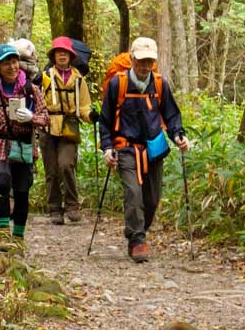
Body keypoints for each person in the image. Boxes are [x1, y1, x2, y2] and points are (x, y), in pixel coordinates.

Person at [98, 37, 189, 263]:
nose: (145, 66)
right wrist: (107, 148)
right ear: (132, 59)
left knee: (152, 199)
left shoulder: (159, 84)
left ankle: (139, 230)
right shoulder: (117, 84)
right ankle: (137, 240)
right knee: (133, 193)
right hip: (125, 148)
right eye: (141, 61)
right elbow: (105, 119)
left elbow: (171, 114)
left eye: (149, 61)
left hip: (154, 148)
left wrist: (178, 135)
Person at [0, 43, 50, 252]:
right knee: (3, 182)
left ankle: (18, 238)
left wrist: (32, 118)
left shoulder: (30, 89)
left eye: (14, 62)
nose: (12, 67)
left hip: (23, 147)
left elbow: (45, 118)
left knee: (23, 192)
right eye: (6, 63)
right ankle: (3, 234)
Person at [40, 36, 91, 225]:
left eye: (65, 53)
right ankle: (55, 208)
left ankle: (72, 205)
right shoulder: (44, 77)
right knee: (51, 170)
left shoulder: (78, 80)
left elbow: (84, 105)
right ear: (53, 56)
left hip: (69, 125)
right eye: (58, 52)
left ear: (71, 56)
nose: (62, 55)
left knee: (66, 165)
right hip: (47, 125)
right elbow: (37, 99)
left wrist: (90, 116)